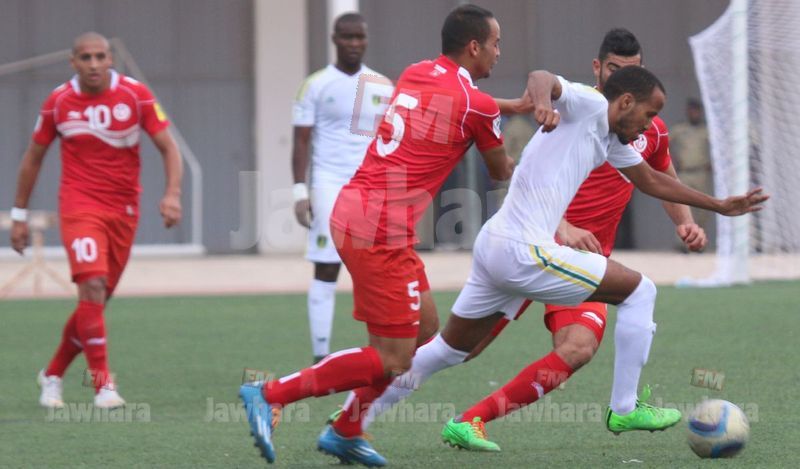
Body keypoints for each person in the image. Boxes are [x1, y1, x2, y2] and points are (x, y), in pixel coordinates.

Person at [343, 65, 766, 453]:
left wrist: (718, 205)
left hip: (497, 244)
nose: (649, 125)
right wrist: (544, 103)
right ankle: (624, 408)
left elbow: (651, 180)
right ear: (625, 101)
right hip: (524, 250)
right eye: (649, 114)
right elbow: (541, 77)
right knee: (640, 291)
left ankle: (351, 419)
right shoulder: (589, 103)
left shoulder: (610, 140)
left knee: (447, 351)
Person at [239, 5, 515, 466]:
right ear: (474, 47)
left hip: (359, 210)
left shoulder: (416, 73)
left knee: (425, 331)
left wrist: (511, 107)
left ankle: (347, 430)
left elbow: (462, 102)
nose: (498, 52)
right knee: (393, 357)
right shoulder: (478, 106)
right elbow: (501, 169)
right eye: (495, 43)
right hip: (380, 228)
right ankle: (271, 394)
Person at [9, 32, 183, 409]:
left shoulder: (136, 95)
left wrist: (172, 194)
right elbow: (33, 158)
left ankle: (52, 374)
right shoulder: (58, 102)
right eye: (85, 57)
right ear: (73, 62)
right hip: (79, 207)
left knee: (97, 300)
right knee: (92, 286)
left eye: (100, 56)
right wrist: (19, 215)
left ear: (110, 60)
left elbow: (170, 148)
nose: (93, 64)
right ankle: (103, 385)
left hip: (123, 210)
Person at [291, 13, 392, 364]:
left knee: (377, 270)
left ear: (366, 39)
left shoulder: (382, 86)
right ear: (334, 39)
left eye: (359, 37)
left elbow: (391, 141)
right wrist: (300, 192)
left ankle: (383, 349)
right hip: (329, 184)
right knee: (326, 267)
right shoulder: (315, 84)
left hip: (371, 187)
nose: (354, 43)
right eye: (347, 37)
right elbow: (300, 142)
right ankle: (320, 355)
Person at [670, 97, 713, 236]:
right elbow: (664, 142)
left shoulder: (706, 130)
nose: (694, 114)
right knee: (682, 207)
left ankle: (699, 238)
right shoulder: (680, 129)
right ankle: (683, 241)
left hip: (700, 172)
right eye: (691, 111)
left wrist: (712, 162)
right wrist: (670, 160)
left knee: (703, 208)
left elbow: (719, 146)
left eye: (696, 111)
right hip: (684, 173)